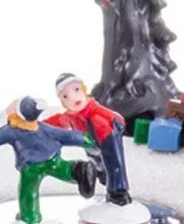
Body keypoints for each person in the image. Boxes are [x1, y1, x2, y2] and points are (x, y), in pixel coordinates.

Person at [0, 96, 96, 224]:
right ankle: (78, 170)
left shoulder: (11, 131)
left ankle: (29, 219)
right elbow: (62, 135)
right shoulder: (41, 127)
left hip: (32, 167)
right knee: (62, 169)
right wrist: (84, 139)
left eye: (13, 106)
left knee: (28, 191)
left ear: (18, 114)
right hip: (52, 158)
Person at [44, 73, 132, 206]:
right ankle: (104, 176)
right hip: (92, 147)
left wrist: (116, 188)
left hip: (105, 139)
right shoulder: (71, 116)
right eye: (66, 96)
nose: (73, 97)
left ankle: (118, 193)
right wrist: (37, 126)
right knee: (99, 166)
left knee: (112, 164)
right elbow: (57, 121)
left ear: (84, 89)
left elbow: (113, 154)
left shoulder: (96, 116)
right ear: (62, 101)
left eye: (76, 90)